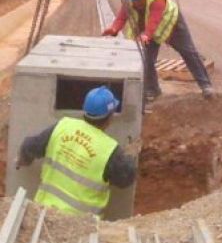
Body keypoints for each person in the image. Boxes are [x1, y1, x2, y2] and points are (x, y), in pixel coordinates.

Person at [16, 86, 136, 218]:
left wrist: (23, 160)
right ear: (110, 117)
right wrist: (131, 154)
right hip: (81, 225)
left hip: (44, 214)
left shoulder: (62, 126)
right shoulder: (109, 149)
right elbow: (126, 178)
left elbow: (29, 146)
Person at [102, 0, 214, 101]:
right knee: (147, 60)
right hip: (148, 32)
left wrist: (146, 35)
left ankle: (205, 85)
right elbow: (122, 17)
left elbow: (154, 21)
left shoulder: (157, 0)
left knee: (189, 52)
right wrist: (114, 29)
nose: (136, 2)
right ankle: (153, 90)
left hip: (172, 26)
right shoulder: (130, 1)